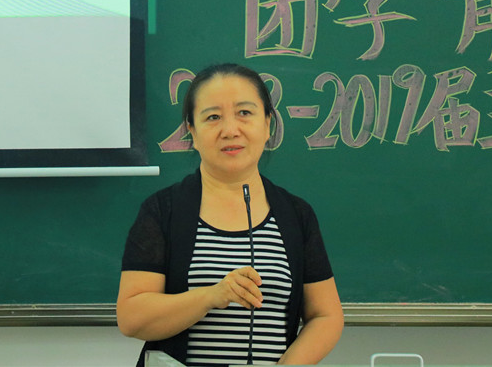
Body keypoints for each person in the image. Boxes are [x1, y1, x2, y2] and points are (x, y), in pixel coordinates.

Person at [117, 63, 343, 366]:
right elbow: (132, 318)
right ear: (192, 131)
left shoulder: (296, 214)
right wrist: (212, 296)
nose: (230, 130)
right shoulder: (162, 210)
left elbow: (326, 315)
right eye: (213, 117)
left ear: (268, 125)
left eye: (244, 113)